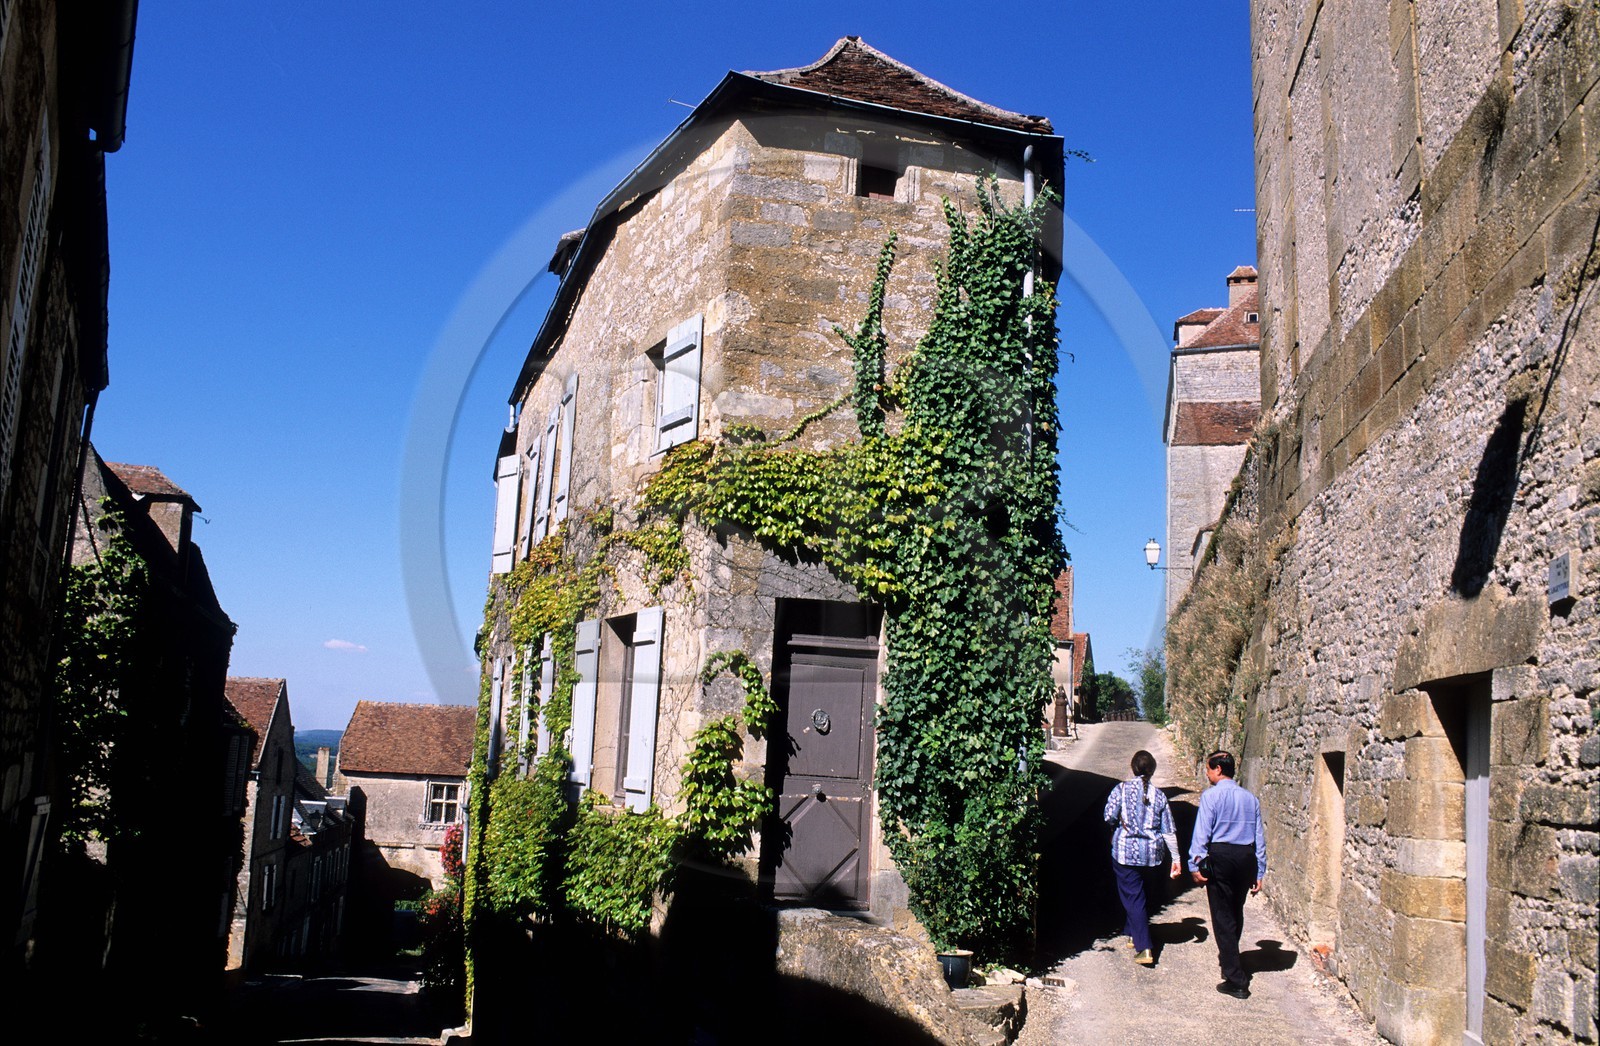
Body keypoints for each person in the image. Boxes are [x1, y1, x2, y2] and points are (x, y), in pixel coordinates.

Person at [1190, 750, 1267, 1000]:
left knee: (1222, 915)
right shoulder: (1251, 799)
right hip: (1245, 858)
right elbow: (1259, 838)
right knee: (1235, 910)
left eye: (1208, 769)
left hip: (1221, 856)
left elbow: (1202, 833)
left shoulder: (1211, 797)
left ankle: (1236, 980)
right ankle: (1229, 959)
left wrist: (1196, 863)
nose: (1207, 773)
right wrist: (1260, 870)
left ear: (1218, 770)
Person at [1103, 749, 1181, 966]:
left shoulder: (1121, 789)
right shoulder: (1160, 796)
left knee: (1132, 896)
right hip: (1152, 855)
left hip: (1125, 852)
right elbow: (1168, 830)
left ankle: (1144, 947)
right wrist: (1176, 858)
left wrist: (1117, 824)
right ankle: (1131, 932)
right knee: (1139, 894)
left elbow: (1108, 815)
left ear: (1133, 768)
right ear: (1153, 770)